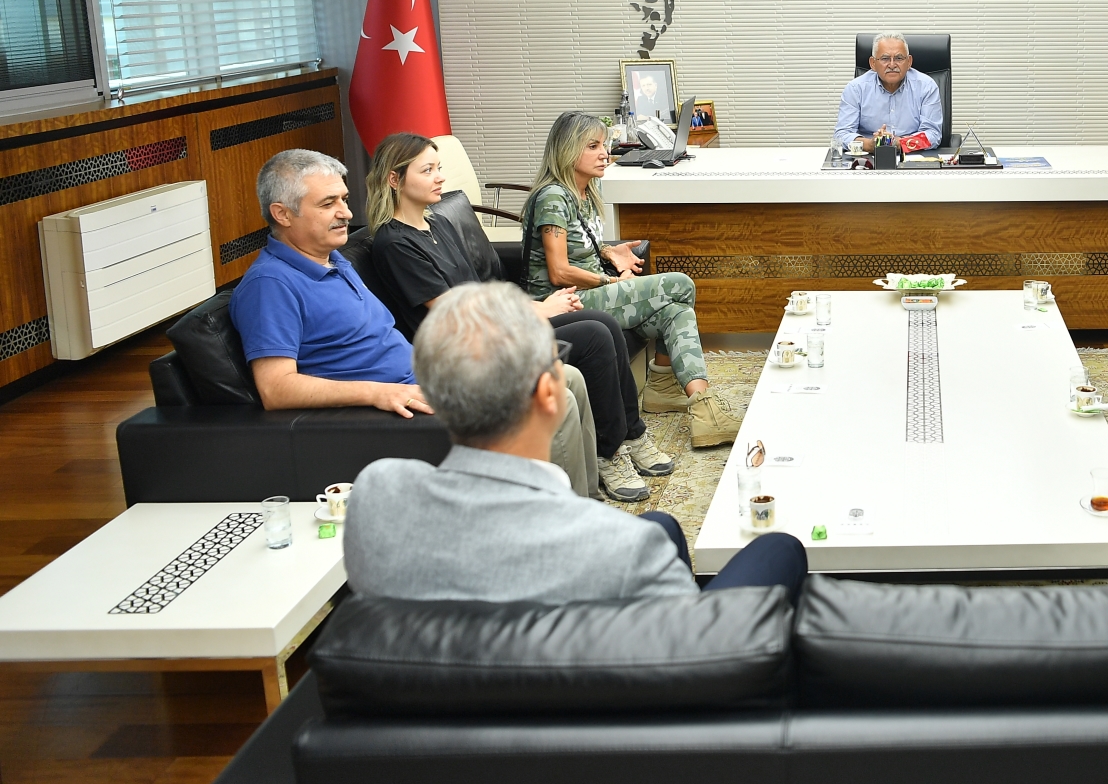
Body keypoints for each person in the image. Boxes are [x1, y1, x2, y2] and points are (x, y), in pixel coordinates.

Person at [345, 282, 807, 604]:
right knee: (779, 548)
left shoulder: (376, 495)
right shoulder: (616, 544)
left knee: (663, 526)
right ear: (551, 395)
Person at [229, 149, 602, 498]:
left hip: (429, 379)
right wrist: (378, 393)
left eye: (343, 199)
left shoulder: (334, 259)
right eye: (328, 204)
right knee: (553, 398)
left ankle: (585, 501)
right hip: (394, 406)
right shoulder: (270, 285)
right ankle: (563, 522)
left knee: (565, 376)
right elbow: (276, 389)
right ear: (282, 214)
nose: (345, 212)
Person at [362, 132, 670, 504]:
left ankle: (631, 435)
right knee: (594, 336)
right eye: (427, 171)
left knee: (602, 324)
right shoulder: (394, 244)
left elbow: (478, 290)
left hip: (495, 326)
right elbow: (453, 309)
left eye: (438, 168)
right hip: (471, 347)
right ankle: (609, 453)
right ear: (394, 179)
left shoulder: (436, 222)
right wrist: (536, 310)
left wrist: (530, 310)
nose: (439, 177)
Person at [523, 112, 742, 449]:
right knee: (680, 285)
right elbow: (559, 271)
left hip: (588, 290)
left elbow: (580, 245)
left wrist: (608, 251)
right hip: (566, 300)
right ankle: (665, 387)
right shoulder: (553, 197)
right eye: (593, 147)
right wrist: (609, 281)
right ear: (567, 150)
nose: (604, 154)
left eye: (604, 145)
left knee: (676, 312)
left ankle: (698, 407)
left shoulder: (586, 189)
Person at [833, 31, 943, 151]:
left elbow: (933, 134)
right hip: (869, 157)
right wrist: (870, 145)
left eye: (899, 58)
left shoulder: (926, 86)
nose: (892, 65)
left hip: (911, 156)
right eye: (885, 59)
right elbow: (842, 135)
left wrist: (899, 143)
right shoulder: (855, 89)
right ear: (873, 63)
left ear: (909, 62)